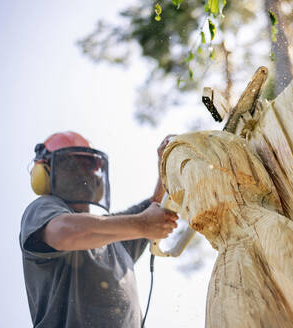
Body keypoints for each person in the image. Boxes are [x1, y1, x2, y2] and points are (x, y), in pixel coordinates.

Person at [19, 131, 178, 328]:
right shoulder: (43, 208)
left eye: (88, 166)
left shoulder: (117, 234)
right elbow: (63, 233)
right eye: (72, 165)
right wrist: (142, 225)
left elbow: (156, 206)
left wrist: (167, 164)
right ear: (45, 173)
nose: (83, 173)